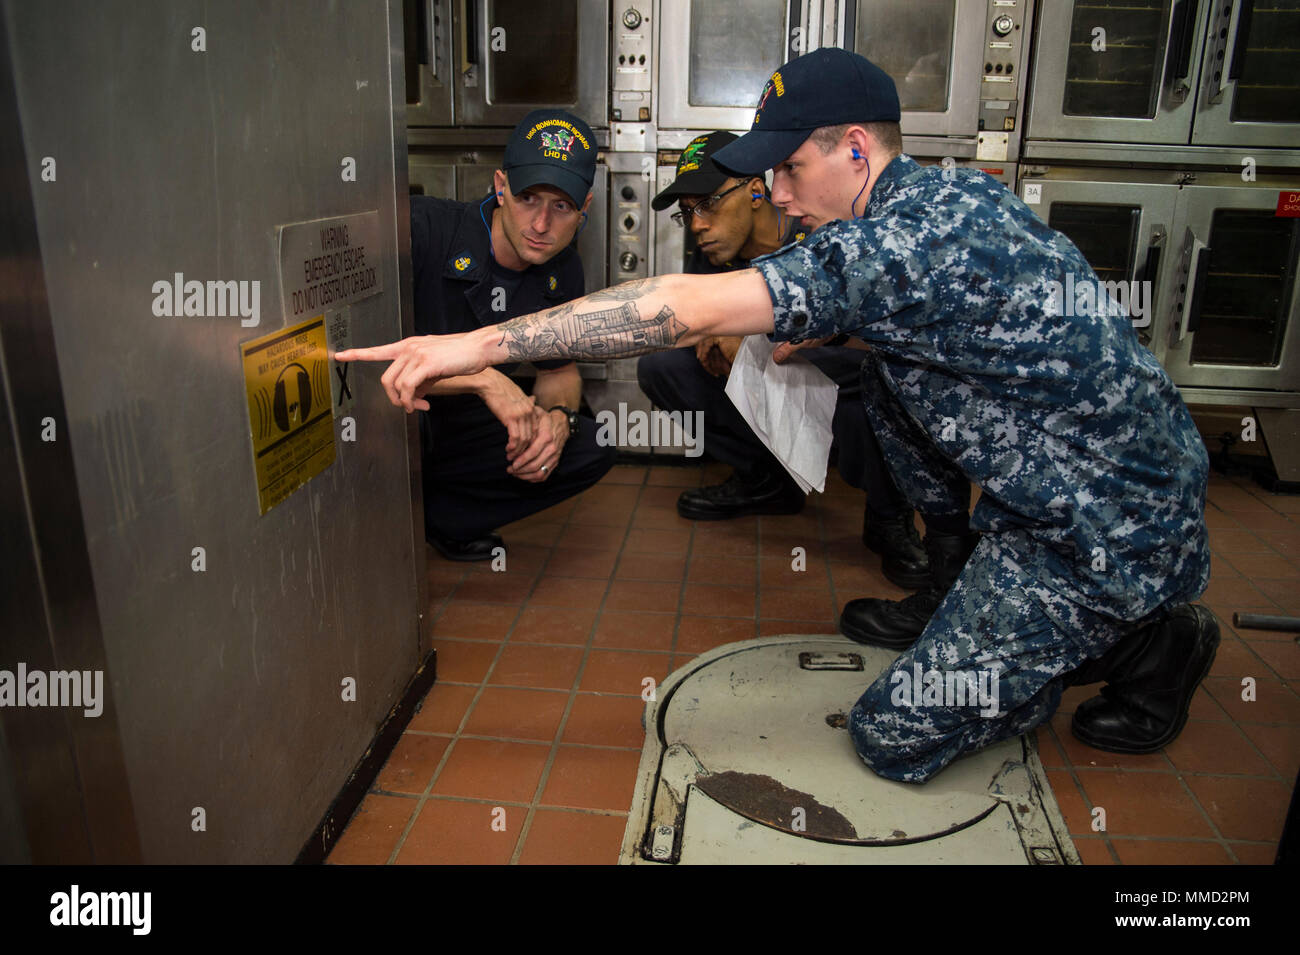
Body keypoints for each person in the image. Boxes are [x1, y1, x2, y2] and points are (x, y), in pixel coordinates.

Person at [338, 49, 1218, 783]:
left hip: (1107, 522)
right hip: (1054, 492)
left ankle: (1151, 636)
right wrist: (845, 332)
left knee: (893, 735)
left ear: (858, 151)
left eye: (791, 169)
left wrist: (476, 347)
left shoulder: (905, 240)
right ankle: (961, 587)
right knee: (897, 380)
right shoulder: (937, 198)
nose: (782, 195)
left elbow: (681, 305)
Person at [638, 130, 930, 589]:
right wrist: (717, 334)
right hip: (777, 378)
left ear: (756, 192)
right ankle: (767, 480)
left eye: (708, 204)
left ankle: (889, 515)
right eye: (687, 212)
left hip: (842, 373)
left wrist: (753, 342)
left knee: (873, 383)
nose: (697, 225)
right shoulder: (711, 253)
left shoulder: (815, 223)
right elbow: (699, 327)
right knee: (662, 368)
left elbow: (880, 337)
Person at [408, 108, 615, 561]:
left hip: (468, 426)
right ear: (500, 187)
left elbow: (559, 372)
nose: (541, 225)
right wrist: (484, 379)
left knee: (591, 441)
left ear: (585, 209)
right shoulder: (421, 229)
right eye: (527, 198)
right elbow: (360, 361)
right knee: (411, 425)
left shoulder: (563, 272)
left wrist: (559, 418)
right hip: (401, 417)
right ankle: (392, 517)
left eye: (561, 206)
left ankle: (443, 519)